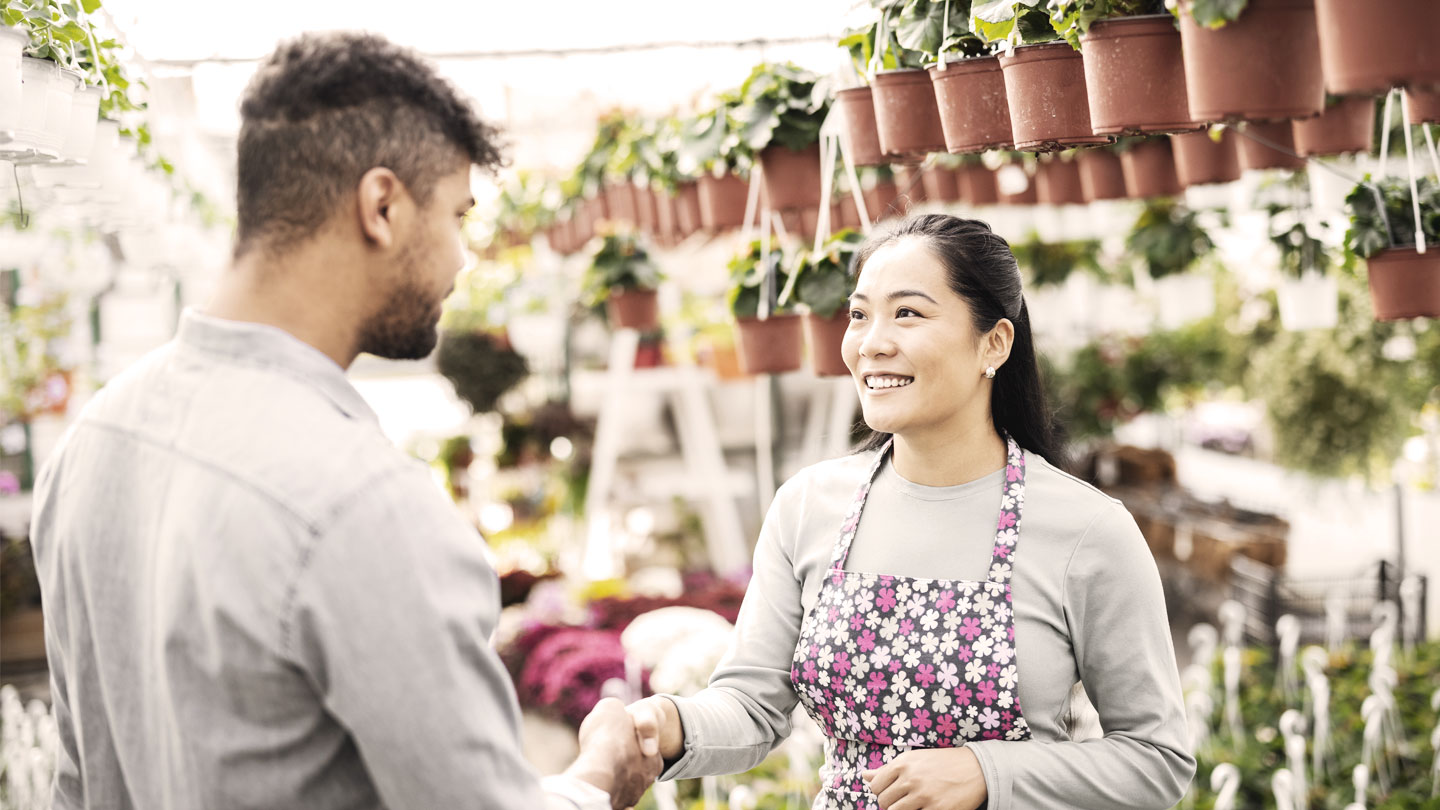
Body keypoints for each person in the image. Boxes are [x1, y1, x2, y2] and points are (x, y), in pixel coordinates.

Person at [30, 31, 659, 810]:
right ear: (383, 205)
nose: (463, 259)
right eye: (458, 216)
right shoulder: (365, 506)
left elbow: (77, 780)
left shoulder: (93, 441)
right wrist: (598, 777)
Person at [625, 214, 1196, 809]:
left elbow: (1156, 758)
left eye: (908, 313)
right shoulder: (808, 506)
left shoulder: (1086, 530)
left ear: (994, 343)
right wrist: (665, 724)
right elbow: (751, 706)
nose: (872, 342)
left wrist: (989, 772)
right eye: (858, 314)